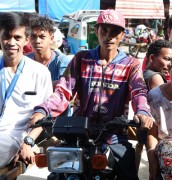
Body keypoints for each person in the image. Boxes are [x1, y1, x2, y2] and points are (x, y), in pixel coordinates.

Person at [29, 9, 153, 180]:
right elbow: (63, 91)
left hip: (114, 135)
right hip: (78, 133)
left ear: (122, 35)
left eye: (115, 31)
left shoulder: (131, 64)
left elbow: (139, 91)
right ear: (96, 31)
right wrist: (43, 110)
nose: (109, 36)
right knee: (57, 175)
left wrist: (142, 112)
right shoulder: (81, 58)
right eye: (104, 30)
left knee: (128, 173)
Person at [0, 12, 53, 168]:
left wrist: (29, 142)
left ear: (26, 40)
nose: (11, 43)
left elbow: (45, 116)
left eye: (17, 38)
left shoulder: (40, 73)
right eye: (6, 37)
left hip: (14, 137)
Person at [27, 14, 72, 117]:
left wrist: (35, 87)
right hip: (30, 115)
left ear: (51, 38)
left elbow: (64, 86)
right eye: (33, 36)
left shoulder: (62, 61)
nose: (37, 41)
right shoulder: (25, 61)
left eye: (42, 37)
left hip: (56, 120)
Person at [147, 49, 172, 180]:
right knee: (165, 148)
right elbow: (152, 133)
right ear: (170, 69)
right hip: (166, 148)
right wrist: (151, 155)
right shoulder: (155, 97)